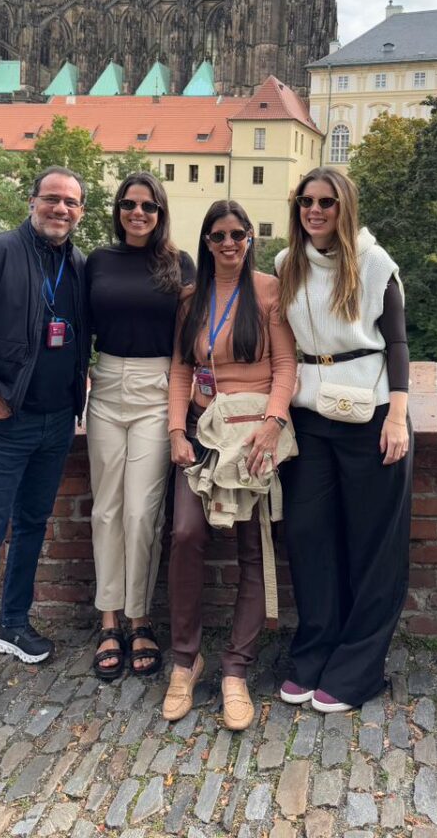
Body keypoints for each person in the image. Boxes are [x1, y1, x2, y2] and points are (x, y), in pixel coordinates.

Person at [0, 165, 91, 713]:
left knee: (32, 526)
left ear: (80, 212)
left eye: (71, 203)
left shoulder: (76, 265)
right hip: (3, 421)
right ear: (32, 202)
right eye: (52, 199)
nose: (61, 209)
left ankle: (13, 625)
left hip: (56, 422)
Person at [275, 166, 411, 713]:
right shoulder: (287, 264)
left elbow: (397, 344)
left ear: (344, 205)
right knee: (309, 538)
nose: (315, 210)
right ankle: (315, 650)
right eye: (306, 201)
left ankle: (360, 667)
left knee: (373, 546)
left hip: (370, 413)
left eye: (326, 202)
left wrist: (397, 417)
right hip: (309, 415)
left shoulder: (375, 264)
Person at [164, 200, 297, 730]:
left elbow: (286, 365)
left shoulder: (268, 291)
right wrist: (177, 430)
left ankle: (236, 669)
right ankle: (184, 659)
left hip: (254, 436)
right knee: (185, 535)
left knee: (251, 546)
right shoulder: (191, 298)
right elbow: (180, 368)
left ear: (249, 239)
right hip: (204, 435)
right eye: (218, 235)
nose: (229, 243)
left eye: (238, 234)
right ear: (207, 240)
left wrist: (274, 422)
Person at [85, 172, 194, 680]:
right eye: (129, 204)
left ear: (161, 212)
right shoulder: (98, 262)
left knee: (142, 512)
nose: (138, 213)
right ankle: (109, 620)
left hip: (157, 388)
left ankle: (139, 615)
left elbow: (195, 336)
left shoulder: (179, 264)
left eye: (148, 206)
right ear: (117, 209)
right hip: (106, 386)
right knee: (106, 508)